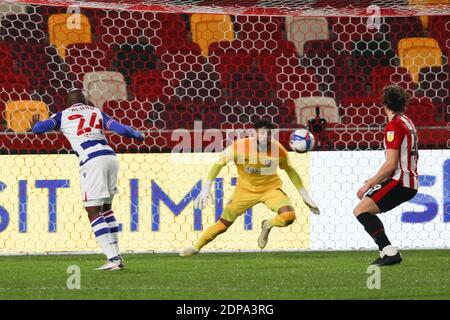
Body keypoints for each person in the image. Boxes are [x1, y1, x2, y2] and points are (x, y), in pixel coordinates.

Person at [31, 88, 144, 270]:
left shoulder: (63, 115)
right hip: (110, 157)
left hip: (92, 160)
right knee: (106, 209)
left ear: (68, 102)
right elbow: (120, 128)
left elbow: (38, 129)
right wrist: (137, 135)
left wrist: (36, 125)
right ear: (85, 101)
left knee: (92, 210)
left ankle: (113, 259)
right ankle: (116, 257)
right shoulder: (96, 112)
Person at [180, 119, 320, 256]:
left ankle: (267, 225)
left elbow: (290, 170)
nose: (265, 137)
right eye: (262, 133)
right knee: (222, 225)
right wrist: (206, 189)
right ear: (255, 134)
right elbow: (218, 164)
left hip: (270, 190)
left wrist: (305, 196)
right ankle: (196, 247)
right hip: (244, 191)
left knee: (289, 216)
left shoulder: (278, 150)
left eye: (268, 134)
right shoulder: (239, 147)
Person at [354, 85, 418, 266]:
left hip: (400, 181)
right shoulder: (407, 121)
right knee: (364, 210)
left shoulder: (393, 126)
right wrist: (376, 180)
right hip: (408, 179)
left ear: (384, 104)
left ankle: (390, 253)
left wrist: (368, 185)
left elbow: (391, 164)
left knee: (361, 210)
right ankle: (387, 252)